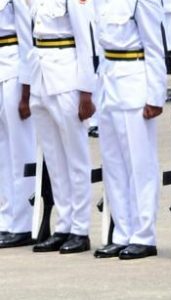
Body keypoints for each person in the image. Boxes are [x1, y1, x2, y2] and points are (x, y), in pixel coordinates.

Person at [92, 0, 166, 260]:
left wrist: (155, 95)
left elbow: (155, 46)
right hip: (108, 81)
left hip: (134, 81)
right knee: (113, 164)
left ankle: (143, 235)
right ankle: (122, 232)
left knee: (140, 164)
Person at [28, 0, 96, 254]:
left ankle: (80, 229)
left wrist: (86, 91)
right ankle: (63, 224)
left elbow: (85, 40)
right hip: (40, 77)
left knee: (76, 159)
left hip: (67, 78)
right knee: (54, 161)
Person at [0, 0, 36, 248]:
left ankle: (23, 223)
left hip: (13, 67)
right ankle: (6, 220)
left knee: (20, 150)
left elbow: (26, 37)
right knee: (2, 154)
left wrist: (27, 90)